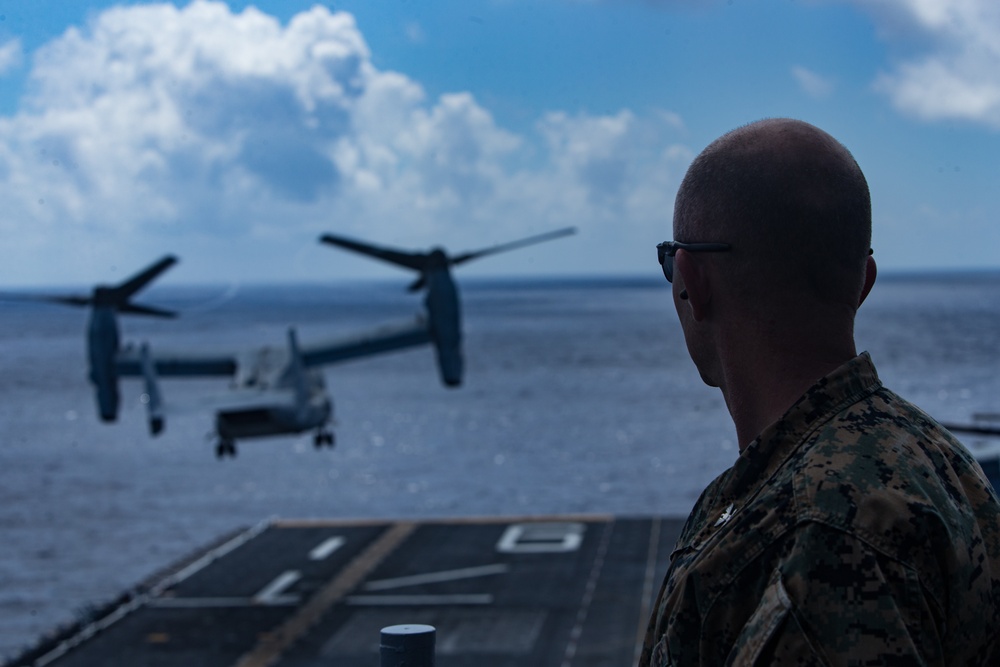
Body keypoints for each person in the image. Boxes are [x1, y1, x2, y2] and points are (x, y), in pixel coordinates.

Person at [639, 118, 1000, 666]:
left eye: (671, 261)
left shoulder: (816, 537)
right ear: (863, 282)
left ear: (691, 279)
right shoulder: (943, 464)